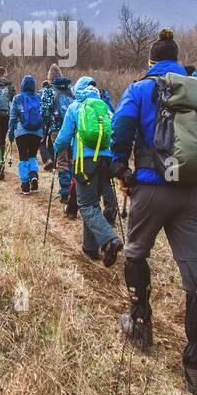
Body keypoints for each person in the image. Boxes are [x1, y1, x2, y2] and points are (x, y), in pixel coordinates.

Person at [110, 29, 197, 395]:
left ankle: (140, 324)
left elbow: (120, 131)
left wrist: (122, 170)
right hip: (194, 193)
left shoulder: (140, 89)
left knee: (136, 253)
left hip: (152, 187)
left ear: (150, 61)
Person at [54, 76, 123, 263]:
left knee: (85, 205)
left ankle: (110, 239)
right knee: (93, 203)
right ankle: (90, 247)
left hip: (85, 161)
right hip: (106, 161)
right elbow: (116, 133)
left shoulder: (76, 106)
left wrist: (55, 148)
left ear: (78, 89)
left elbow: (64, 136)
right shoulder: (104, 108)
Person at [6, 74, 44, 194]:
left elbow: (12, 118)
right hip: (37, 132)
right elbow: (42, 116)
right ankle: (33, 174)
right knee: (32, 155)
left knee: (23, 157)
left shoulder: (17, 98)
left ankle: (25, 185)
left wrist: (10, 133)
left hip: (21, 132)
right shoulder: (39, 98)